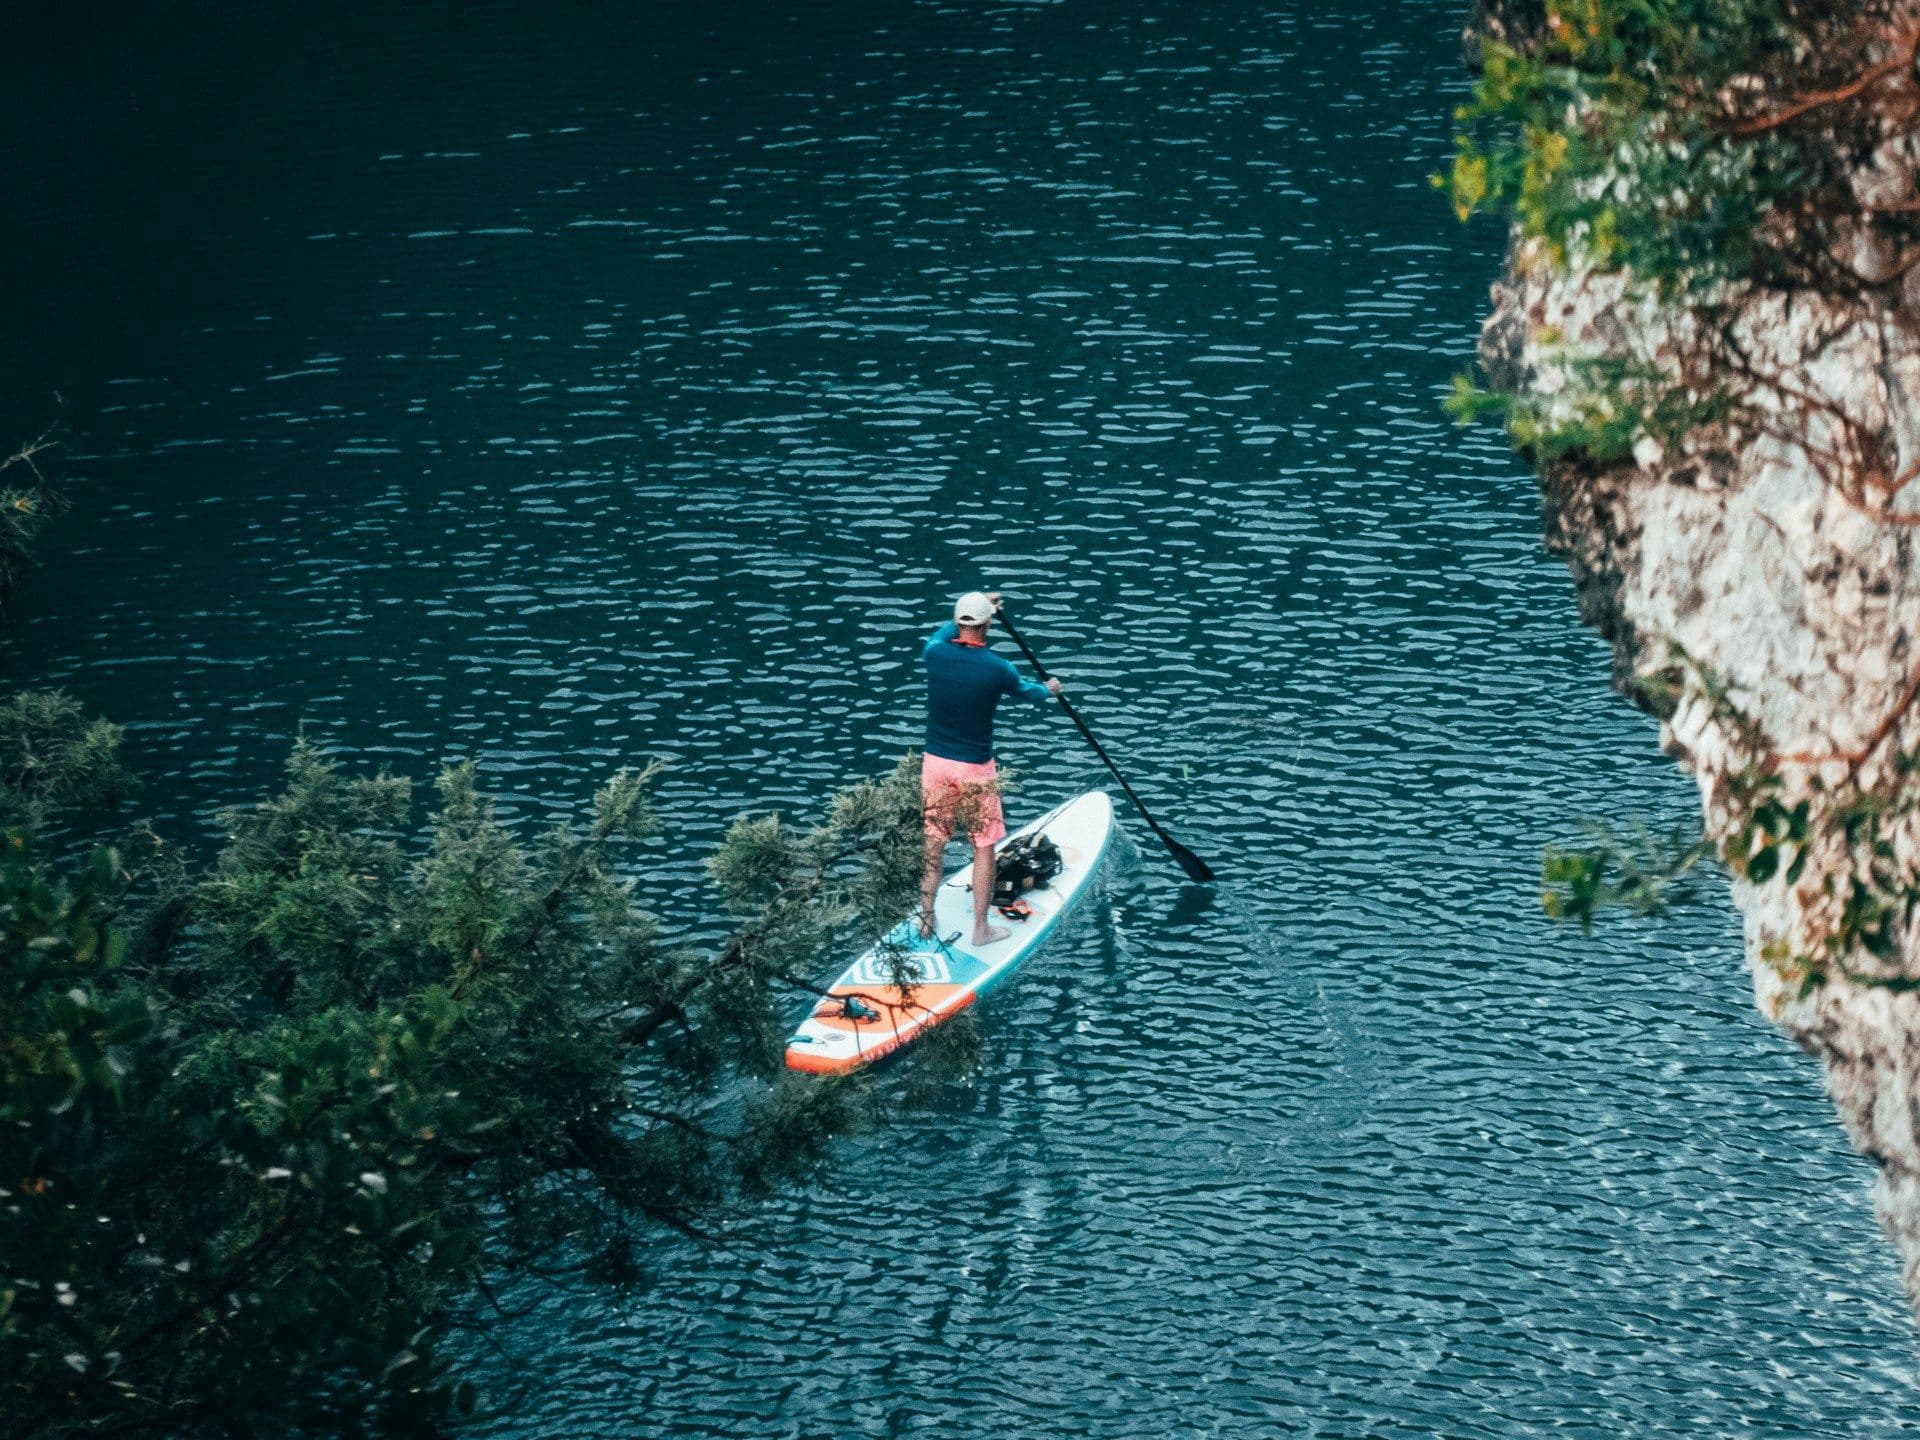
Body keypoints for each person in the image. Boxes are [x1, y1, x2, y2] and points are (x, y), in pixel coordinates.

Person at [919, 589, 1062, 945]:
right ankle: (981, 930)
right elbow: (1031, 692)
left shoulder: (933, 653)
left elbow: (946, 630)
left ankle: (925, 919)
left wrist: (978, 605)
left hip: (934, 763)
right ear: (987, 626)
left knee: (934, 841)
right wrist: (1051, 689)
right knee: (983, 846)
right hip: (975, 770)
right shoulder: (998, 669)